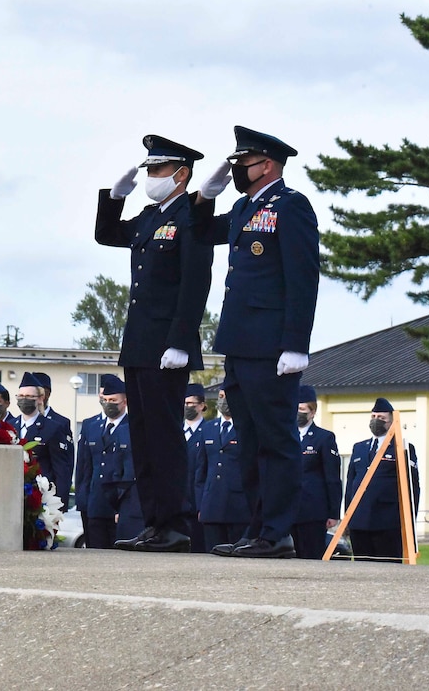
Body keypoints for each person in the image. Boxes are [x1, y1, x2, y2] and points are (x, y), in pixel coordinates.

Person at [192, 126, 320, 559]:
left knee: (275, 440)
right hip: (239, 343)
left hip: (271, 346)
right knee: (248, 440)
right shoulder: (245, 207)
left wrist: (295, 343)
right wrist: (205, 195)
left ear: (266, 165)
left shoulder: (291, 206)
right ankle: (259, 528)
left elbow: (303, 278)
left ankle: (278, 532)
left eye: (241, 165)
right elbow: (197, 228)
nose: (235, 172)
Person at [96, 134, 213, 553]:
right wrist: (115, 197)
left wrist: (181, 339)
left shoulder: (191, 216)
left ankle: (176, 525)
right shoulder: (149, 216)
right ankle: (154, 523)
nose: (152, 176)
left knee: (165, 437)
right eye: (149, 170)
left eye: (158, 169)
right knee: (143, 437)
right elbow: (107, 235)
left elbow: (196, 282)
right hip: (140, 342)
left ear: (181, 174)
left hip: (168, 346)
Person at [345, 398, 420, 562]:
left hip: (387, 521)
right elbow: (350, 483)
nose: (376, 421)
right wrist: (347, 516)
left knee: (388, 566)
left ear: (392, 422)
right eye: (373, 417)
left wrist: (410, 520)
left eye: (381, 418)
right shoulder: (360, 448)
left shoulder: (403, 447)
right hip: (360, 520)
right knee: (361, 566)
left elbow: (412, 486)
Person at [292, 385, 342, 559]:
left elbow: (332, 477)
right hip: (288, 510)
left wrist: (333, 512)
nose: (298, 413)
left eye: (302, 409)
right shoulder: (285, 436)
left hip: (312, 510)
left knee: (311, 555)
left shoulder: (324, 438)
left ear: (312, 412)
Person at [194, 390, 248, 550]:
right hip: (212, 505)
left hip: (238, 506)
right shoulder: (209, 428)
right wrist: (200, 505)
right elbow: (201, 471)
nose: (223, 401)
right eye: (221, 396)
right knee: (212, 553)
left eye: (228, 396)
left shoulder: (246, 428)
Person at [92, 375, 142, 546]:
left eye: (113, 400)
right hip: (97, 501)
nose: (108, 404)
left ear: (125, 402)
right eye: (105, 399)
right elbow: (85, 466)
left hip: (125, 503)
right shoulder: (91, 426)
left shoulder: (133, 428)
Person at [17, 372, 74, 511]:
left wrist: (60, 504)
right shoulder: (10, 426)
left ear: (40, 398)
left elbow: (61, 469)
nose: (24, 400)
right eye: (21, 396)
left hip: (41, 497)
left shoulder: (53, 428)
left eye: (29, 396)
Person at [75, 385, 108, 531]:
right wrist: (81, 498)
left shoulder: (129, 425)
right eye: (102, 395)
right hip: (92, 499)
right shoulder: (90, 424)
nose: (104, 399)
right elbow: (83, 465)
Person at [183, 384, 209, 553]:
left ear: (201, 405)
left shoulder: (208, 431)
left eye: (192, 404)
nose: (188, 407)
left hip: (196, 501)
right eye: (185, 404)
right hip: (178, 503)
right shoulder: (176, 430)